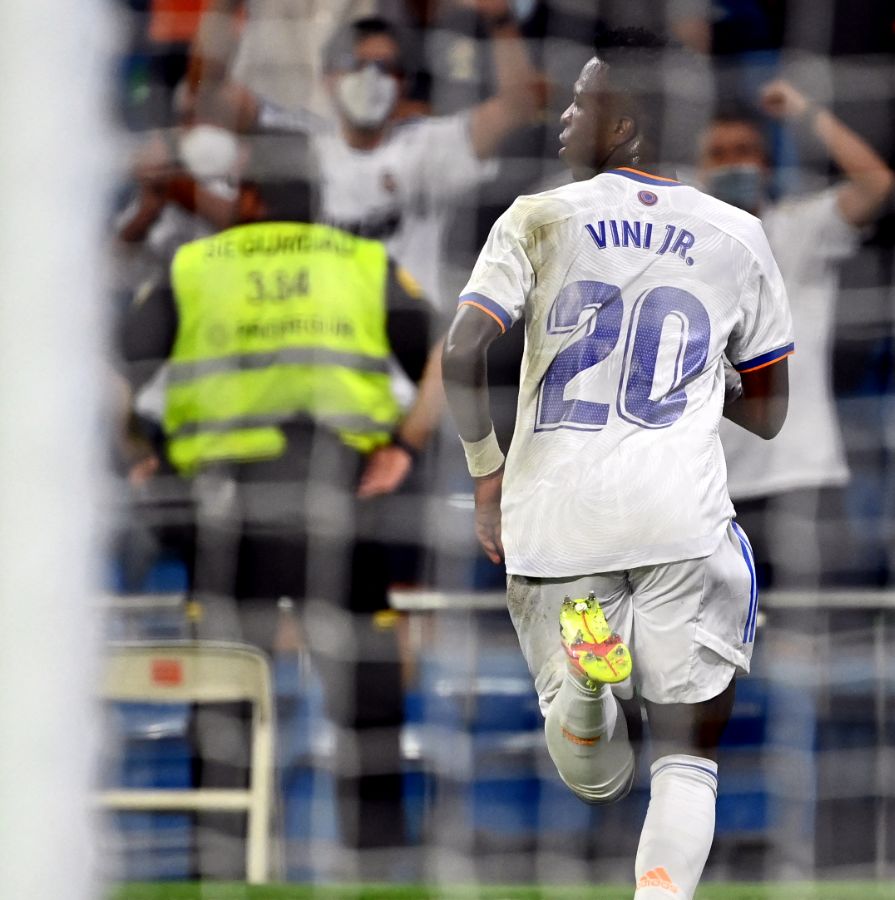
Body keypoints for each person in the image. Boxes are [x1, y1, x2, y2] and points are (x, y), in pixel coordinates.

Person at [440, 28, 792, 899]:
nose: (563, 116)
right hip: (679, 515)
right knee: (688, 762)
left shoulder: (535, 217)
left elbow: (459, 355)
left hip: (555, 516)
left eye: (580, 100)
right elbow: (772, 410)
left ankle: (591, 695)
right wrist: (693, 390)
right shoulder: (737, 233)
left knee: (592, 776)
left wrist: (487, 473)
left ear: (625, 121)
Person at [116, 133, 439, 876]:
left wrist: (142, 458)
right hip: (342, 501)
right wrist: (405, 449)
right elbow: (451, 358)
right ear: (318, 200)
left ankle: (224, 872)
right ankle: (382, 871)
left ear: (248, 194)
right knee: (369, 708)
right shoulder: (364, 263)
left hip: (226, 512)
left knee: (227, 707)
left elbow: (111, 372)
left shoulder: (192, 265)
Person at [190, 0, 545, 306]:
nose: (371, 78)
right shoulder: (302, 142)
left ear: (403, 82)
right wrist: (222, 7)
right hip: (325, 338)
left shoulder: (430, 146)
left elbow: (518, 105)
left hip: (407, 342)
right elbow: (207, 95)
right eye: (356, 65)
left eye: (385, 68)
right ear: (328, 76)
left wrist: (500, 19)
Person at [698, 79, 893, 588]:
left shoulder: (801, 229)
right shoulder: (681, 251)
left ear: (765, 164)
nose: (732, 162)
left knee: (814, 655)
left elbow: (876, 183)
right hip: (712, 488)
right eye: (718, 154)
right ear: (699, 172)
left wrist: (806, 113)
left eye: (743, 151)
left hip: (804, 479)